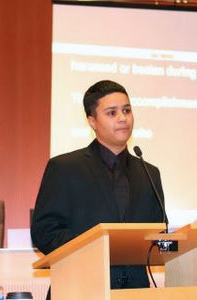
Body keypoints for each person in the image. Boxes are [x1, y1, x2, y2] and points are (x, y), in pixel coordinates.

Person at [31, 80, 164, 299]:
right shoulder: (64, 168)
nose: (123, 118)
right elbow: (44, 232)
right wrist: (98, 245)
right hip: (78, 288)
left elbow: (158, 232)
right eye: (112, 113)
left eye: (127, 110)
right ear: (92, 121)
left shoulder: (149, 172)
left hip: (135, 292)